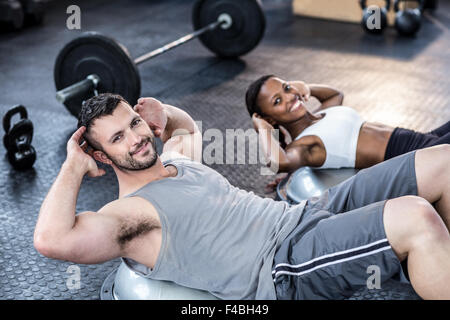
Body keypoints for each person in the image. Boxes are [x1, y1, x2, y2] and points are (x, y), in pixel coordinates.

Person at [34, 93, 450, 299]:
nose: (138, 139)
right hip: (285, 265)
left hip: (304, 214)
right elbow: (52, 240)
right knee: (414, 217)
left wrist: (162, 111)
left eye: (136, 123)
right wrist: (72, 164)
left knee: (441, 160)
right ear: (101, 155)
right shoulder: (127, 216)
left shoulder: (177, 162)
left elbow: (186, 129)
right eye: (119, 137)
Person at [246, 75, 450, 176]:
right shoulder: (305, 145)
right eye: (277, 101)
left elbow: (335, 94)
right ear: (270, 118)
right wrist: (262, 128)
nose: (290, 97)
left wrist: (305, 87)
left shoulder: (322, 114)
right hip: (415, 157)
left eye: (286, 88)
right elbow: (278, 162)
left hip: (422, 138)